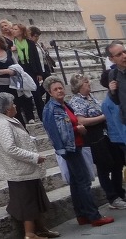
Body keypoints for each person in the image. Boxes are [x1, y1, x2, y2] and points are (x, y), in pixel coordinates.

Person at [41, 76, 114, 227]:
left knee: (76, 182)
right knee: (84, 181)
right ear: (50, 92)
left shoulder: (64, 104)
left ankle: (82, 214)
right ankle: (94, 216)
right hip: (70, 148)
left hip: (76, 145)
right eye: (55, 89)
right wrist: (77, 129)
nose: (59, 91)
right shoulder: (51, 108)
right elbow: (54, 131)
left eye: (61, 88)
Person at [0, 92, 57, 239]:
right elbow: (10, 148)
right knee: (28, 202)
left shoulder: (7, 120)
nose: (15, 106)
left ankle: (41, 229)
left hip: (25, 169)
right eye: (13, 104)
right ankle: (30, 233)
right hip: (19, 170)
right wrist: (34, 157)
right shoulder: (3, 124)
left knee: (36, 197)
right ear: (7, 108)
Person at [69, 73, 126, 209]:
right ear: (79, 86)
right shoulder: (76, 101)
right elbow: (81, 120)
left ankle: (119, 191)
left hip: (106, 134)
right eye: (86, 82)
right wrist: (103, 117)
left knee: (117, 163)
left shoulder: (91, 97)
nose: (89, 83)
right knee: (103, 167)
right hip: (94, 137)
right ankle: (112, 197)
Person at [0, 32, 30, 125]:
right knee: (4, 108)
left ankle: (22, 127)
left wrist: (14, 71)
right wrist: (7, 71)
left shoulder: (8, 52)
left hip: (13, 83)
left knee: (16, 106)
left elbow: (16, 65)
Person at [12, 24, 42, 123]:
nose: (13, 31)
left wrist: (39, 73)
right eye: (13, 29)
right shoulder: (12, 43)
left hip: (31, 69)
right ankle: (29, 117)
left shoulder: (30, 43)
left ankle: (42, 115)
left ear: (21, 31)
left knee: (36, 94)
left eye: (15, 29)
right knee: (23, 94)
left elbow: (36, 58)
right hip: (19, 70)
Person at [107, 41, 126, 129]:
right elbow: (117, 101)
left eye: (125, 52)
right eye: (119, 54)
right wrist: (112, 91)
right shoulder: (113, 74)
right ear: (112, 59)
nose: (124, 56)